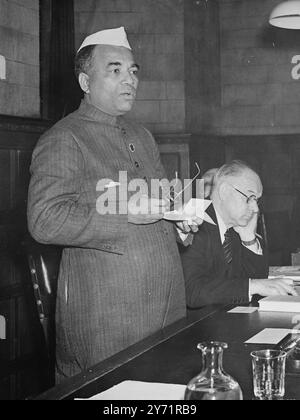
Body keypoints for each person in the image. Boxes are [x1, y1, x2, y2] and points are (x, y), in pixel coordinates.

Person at [27, 27, 200, 382]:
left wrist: (178, 224)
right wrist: (126, 216)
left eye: (133, 71)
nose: (130, 80)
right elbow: (44, 220)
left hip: (167, 312)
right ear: (86, 82)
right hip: (108, 323)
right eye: (116, 70)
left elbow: (158, 205)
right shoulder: (64, 138)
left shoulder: (142, 136)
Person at [181, 160, 298, 307]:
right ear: (224, 191)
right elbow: (193, 291)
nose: (255, 208)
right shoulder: (194, 223)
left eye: (256, 200)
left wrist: (249, 239)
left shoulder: (234, 229)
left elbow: (259, 283)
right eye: (250, 197)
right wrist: (253, 285)